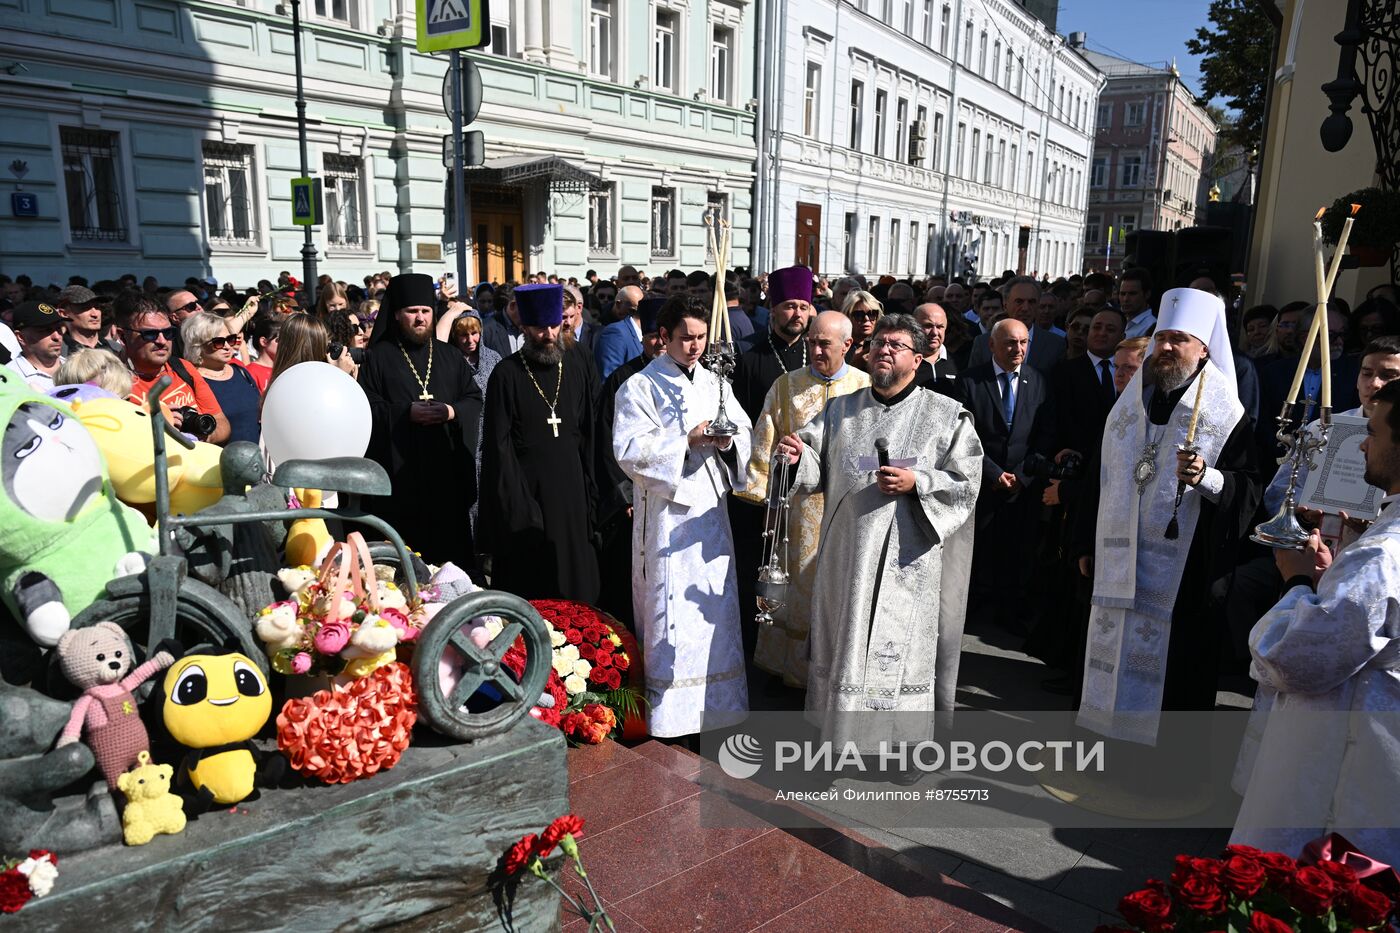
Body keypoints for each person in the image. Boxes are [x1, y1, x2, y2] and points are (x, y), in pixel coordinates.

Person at [775, 314, 982, 750]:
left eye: (896, 345)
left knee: (901, 655)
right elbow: (815, 464)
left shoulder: (945, 415)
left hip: (907, 561)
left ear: (920, 357)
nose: (884, 350)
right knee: (847, 645)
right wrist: (795, 457)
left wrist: (918, 483)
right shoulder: (840, 410)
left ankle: (904, 748)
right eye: (879, 343)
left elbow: (966, 482)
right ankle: (841, 738)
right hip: (848, 555)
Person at [1073, 288, 1259, 745]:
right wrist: (1084, 543)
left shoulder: (1227, 414)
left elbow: (1252, 489)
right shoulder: (1130, 405)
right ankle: (1105, 744)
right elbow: (1102, 478)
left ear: (1204, 348)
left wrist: (1206, 478)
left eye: (1179, 339)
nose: (1167, 347)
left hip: (1186, 572)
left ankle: (1161, 767)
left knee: (1175, 670)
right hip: (1120, 560)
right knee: (1110, 651)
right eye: (1161, 338)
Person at [1230, 379, 1400, 867]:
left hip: (1344, 764)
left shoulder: (1382, 554)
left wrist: (1297, 582)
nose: (1364, 443)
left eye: (1375, 432)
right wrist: (1333, 579)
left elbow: (1295, 658)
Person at [613, 298, 753, 739]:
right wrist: (686, 441)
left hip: (711, 517)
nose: (695, 346)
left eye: (700, 337)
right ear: (663, 336)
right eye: (685, 337)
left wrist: (729, 444)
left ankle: (719, 708)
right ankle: (672, 717)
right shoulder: (639, 387)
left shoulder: (716, 382)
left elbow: (743, 432)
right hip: (669, 519)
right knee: (668, 606)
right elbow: (629, 451)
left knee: (712, 605)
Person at [740, 310, 870, 688]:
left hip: (847, 508)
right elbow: (765, 439)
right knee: (796, 590)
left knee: (840, 591)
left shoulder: (864, 388)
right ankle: (793, 673)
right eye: (811, 341)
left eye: (823, 343)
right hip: (796, 512)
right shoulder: (786, 385)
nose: (814, 349)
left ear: (847, 345)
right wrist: (766, 499)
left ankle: (835, 679)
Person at [478, 284, 600, 603]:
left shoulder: (577, 363)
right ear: (523, 328)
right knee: (531, 579)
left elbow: (590, 428)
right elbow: (497, 447)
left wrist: (592, 488)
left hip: (573, 489)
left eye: (553, 325)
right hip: (528, 494)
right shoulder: (507, 374)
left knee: (576, 579)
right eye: (538, 328)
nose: (547, 334)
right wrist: (516, 504)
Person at [359, 273, 483, 570]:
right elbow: (365, 407)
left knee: (452, 561)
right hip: (400, 481)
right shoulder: (378, 358)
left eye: (425, 311)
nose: (420, 318)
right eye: (412, 312)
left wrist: (451, 412)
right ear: (398, 315)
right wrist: (404, 413)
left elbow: (473, 399)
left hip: (446, 479)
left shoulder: (450, 356)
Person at [958, 318, 1057, 633]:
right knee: (978, 551)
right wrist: (993, 472)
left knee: (1019, 550)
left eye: (1024, 342)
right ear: (991, 345)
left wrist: (1022, 475)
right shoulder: (970, 382)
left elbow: (1045, 435)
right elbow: (962, 436)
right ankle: (971, 607)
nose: (1018, 349)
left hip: (1022, 486)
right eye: (1011, 342)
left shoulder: (1038, 381)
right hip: (982, 483)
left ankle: (1010, 610)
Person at [594, 297, 668, 626]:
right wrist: (626, 495)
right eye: (653, 334)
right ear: (643, 337)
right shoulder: (622, 379)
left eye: (667, 335)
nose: (659, 342)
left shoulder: (685, 379)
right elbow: (608, 442)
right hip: (632, 502)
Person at [122, 297, 230, 444]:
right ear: (123, 337)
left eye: (168, 333)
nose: (161, 341)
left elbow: (222, 424)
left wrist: (193, 438)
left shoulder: (183, 368)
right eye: (149, 334)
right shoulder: (113, 381)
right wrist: (156, 428)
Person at [181, 312, 260, 445]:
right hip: (222, 461)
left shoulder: (240, 371)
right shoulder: (191, 381)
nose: (228, 346)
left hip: (257, 458)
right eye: (218, 342)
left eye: (230, 339)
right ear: (198, 345)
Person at [967, 277, 1066, 371]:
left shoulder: (1055, 345)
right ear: (1005, 305)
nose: (1025, 308)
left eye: (1031, 302)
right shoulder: (982, 343)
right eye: (1019, 301)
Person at [7, 300, 67, 391]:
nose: (57, 337)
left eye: (58, 328)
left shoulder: (76, 368)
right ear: (21, 337)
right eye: (45, 330)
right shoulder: (9, 379)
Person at [912, 302, 961, 401]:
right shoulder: (903, 362)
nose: (934, 332)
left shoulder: (960, 363)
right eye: (928, 326)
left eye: (939, 327)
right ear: (913, 327)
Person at [56, 285, 119, 355]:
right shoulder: (58, 353)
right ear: (64, 314)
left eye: (97, 307)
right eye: (85, 308)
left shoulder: (117, 349)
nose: (95, 314)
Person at [841, 290, 882, 372]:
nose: (866, 319)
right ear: (847, 316)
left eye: (872, 314)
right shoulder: (839, 346)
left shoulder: (884, 346)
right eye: (859, 315)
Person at [1118, 268, 1156, 338]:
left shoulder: (1151, 327)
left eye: (1132, 294)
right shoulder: (1119, 321)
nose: (1126, 299)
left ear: (1147, 294)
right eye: (1122, 294)